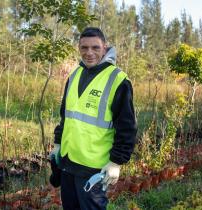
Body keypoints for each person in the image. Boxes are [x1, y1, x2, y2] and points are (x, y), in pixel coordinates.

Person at [50, 27, 137, 210]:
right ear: (79, 48)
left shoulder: (118, 80)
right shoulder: (74, 75)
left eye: (95, 48)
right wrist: (58, 144)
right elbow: (65, 116)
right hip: (68, 161)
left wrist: (116, 162)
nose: (89, 53)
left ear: (104, 48)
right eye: (84, 48)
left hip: (93, 167)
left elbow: (127, 128)